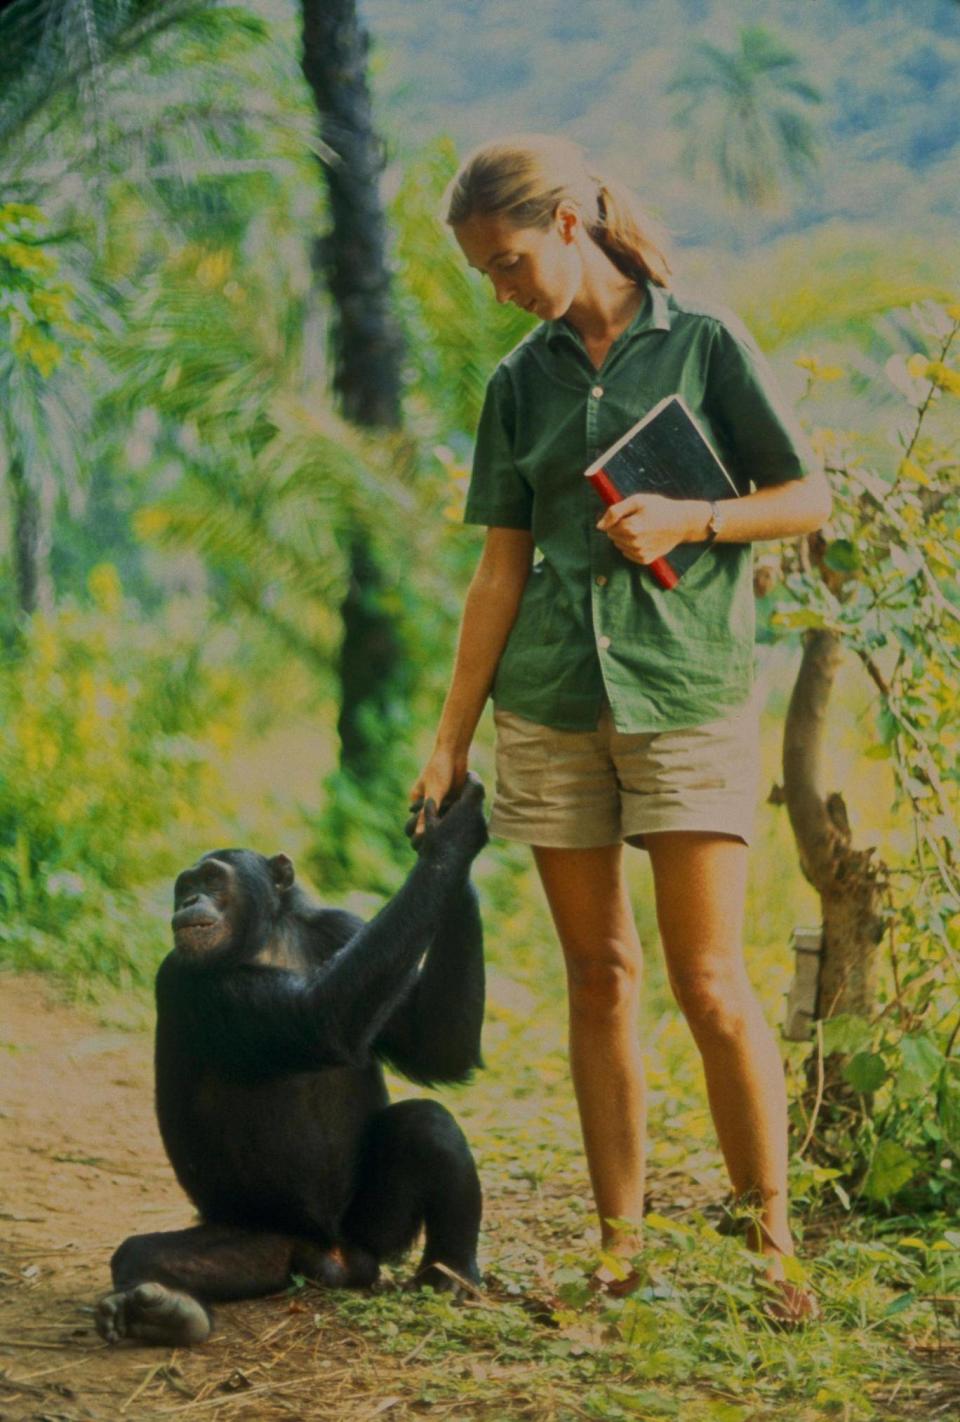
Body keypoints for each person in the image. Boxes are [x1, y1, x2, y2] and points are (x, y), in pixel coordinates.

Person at [409, 133, 831, 1323]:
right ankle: (618, 1248)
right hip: (549, 706)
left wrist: (695, 518)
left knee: (709, 981)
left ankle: (771, 1245)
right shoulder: (516, 386)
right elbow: (499, 571)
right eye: (481, 275)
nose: (498, 289)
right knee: (600, 977)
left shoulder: (702, 343)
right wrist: (451, 738)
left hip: (686, 697)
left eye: (505, 262)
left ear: (567, 223)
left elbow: (806, 497)